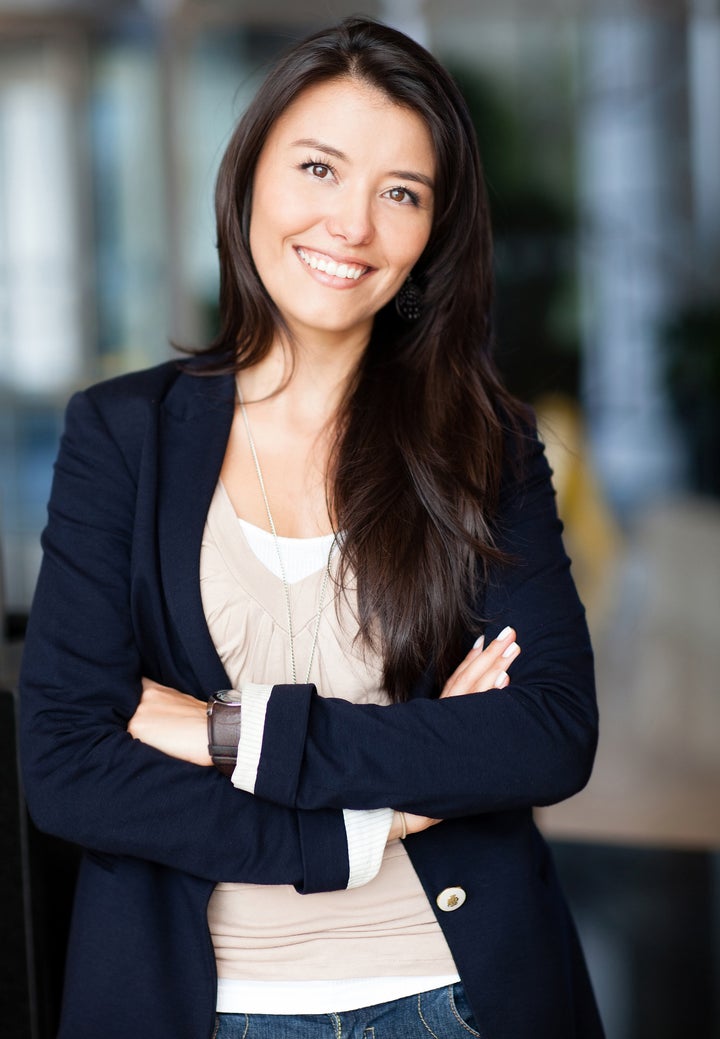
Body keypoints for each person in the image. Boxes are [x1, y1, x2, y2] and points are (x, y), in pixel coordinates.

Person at [19, 16, 603, 1039]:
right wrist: (366, 826)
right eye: (320, 169)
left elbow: (545, 735)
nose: (354, 226)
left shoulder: (484, 443)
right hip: (199, 1008)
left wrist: (225, 731)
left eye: (401, 194)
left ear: (432, 236)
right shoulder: (122, 435)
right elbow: (68, 767)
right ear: (248, 179)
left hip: (457, 999)